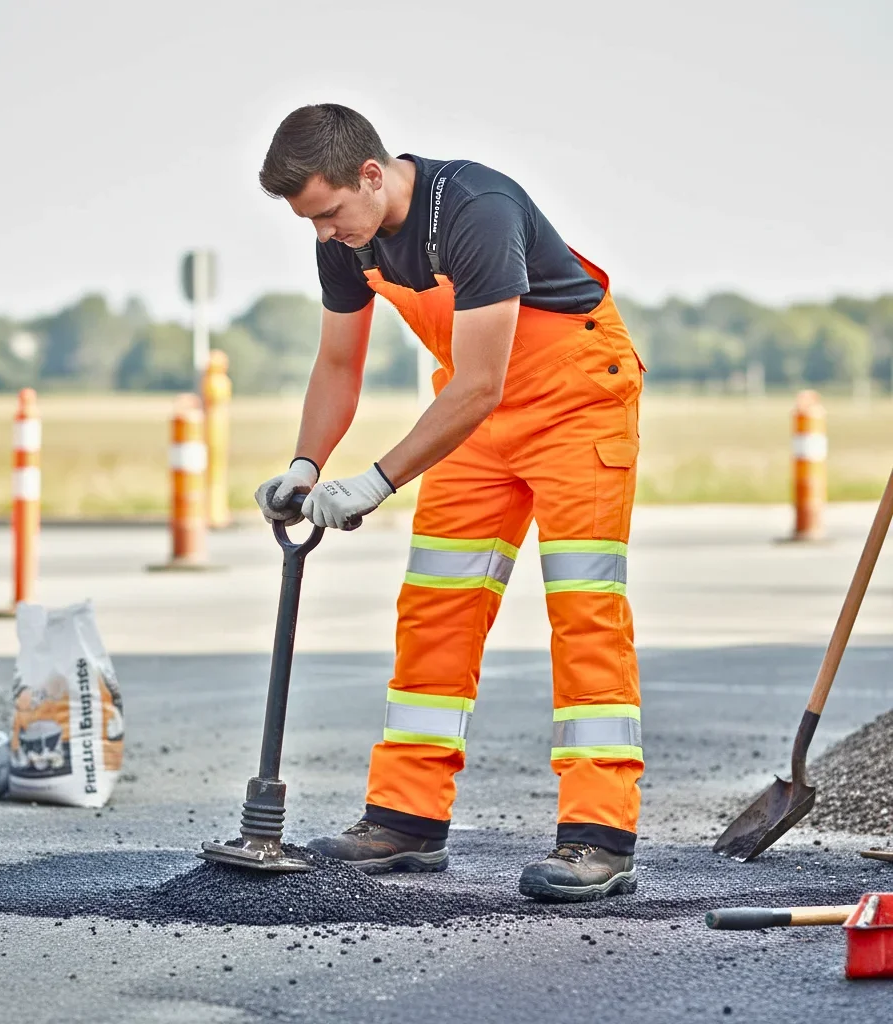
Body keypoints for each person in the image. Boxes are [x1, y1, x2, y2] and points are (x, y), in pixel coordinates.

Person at [254, 103, 645, 903]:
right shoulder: (347, 241)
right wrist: (305, 465)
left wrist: (375, 482)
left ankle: (599, 837)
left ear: (372, 174)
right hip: (474, 420)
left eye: (330, 212)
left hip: (576, 403)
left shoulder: (475, 209)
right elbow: (339, 365)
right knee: (436, 607)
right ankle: (405, 818)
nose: (324, 233)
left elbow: (480, 382)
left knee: (584, 610)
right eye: (311, 221)